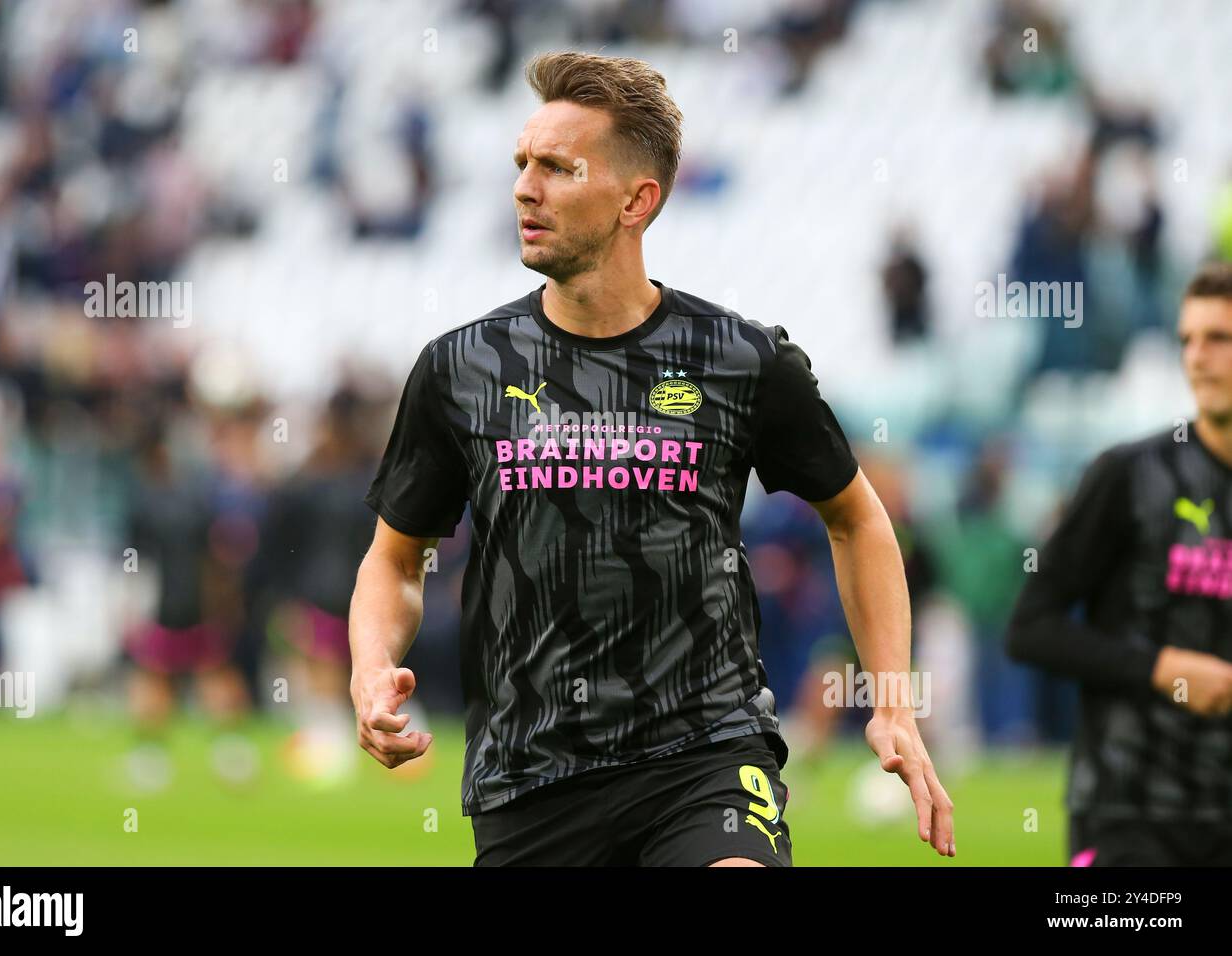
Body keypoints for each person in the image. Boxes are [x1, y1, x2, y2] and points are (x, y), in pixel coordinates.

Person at [350, 51, 954, 867]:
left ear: (638, 200)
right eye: (522, 163)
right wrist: (369, 666)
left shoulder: (740, 361)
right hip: (531, 778)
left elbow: (855, 518)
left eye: (559, 168)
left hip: (706, 755)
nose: (526, 188)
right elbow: (396, 558)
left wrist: (890, 701)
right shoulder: (462, 367)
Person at [1007, 261, 1232, 866]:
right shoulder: (1129, 476)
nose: (1197, 357)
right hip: (1128, 813)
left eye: (1219, 338)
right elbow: (1030, 630)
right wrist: (1160, 667)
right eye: (1187, 339)